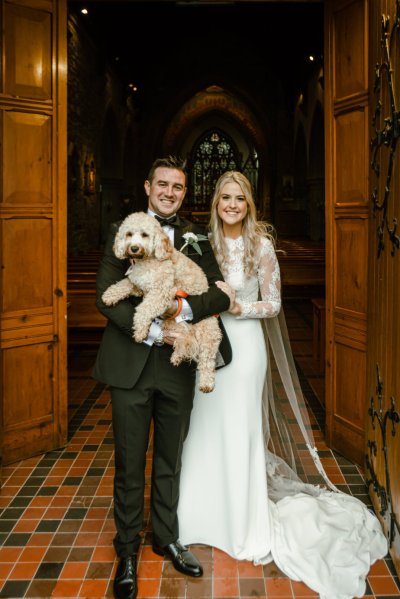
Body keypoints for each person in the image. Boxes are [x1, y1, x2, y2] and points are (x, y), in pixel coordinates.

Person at [177, 171, 388, 598]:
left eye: (239, 198)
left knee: (239, 430)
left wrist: (236, 304)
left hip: (247, 347)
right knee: (203, 428)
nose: (232, 205)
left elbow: (273, 305)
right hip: (211, 348)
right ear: (216, 202)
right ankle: (198, 517)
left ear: (249, 204)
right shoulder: (203, 245)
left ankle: (243, 521)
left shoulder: (262, 246)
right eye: (225, 198)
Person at [93, 157, 232, 599]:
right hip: (130, 365)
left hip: (179, 365)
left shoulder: (196, 237)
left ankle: (166, 536)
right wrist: (154, 329)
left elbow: (216, 292)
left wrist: (181, 313)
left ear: (184, 193)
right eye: (163, 184)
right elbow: (106, 298)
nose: (170, 192)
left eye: (178, 187)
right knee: (130, 462)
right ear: (148, 186)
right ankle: (128, 549)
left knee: (170, 457)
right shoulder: (125, 229)